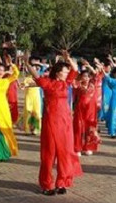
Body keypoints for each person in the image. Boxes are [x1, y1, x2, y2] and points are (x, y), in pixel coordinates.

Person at [27, 55, 83, 195]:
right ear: (57, 72)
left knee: (65, 153)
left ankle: (62, 182)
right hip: (51, 122)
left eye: (66, 72)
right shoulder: (47, 83)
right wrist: (27, 64)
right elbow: (36, 76)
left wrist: (67, 57)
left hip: (65, 123)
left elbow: (75, 69)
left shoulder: (66, 83)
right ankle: (47, 184)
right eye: (64, 71)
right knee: (49, 154)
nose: (66, 74)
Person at [73, 62, 103, 156]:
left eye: (87, 76)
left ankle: (88, 147)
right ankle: (77, 148)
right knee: (79, 128)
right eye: (84, 76)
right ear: (81, 77)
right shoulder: (77, 85)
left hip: (91, 111)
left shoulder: (93, 84)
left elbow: (98, 74)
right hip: (80, 110)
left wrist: (90, 66)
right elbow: (72, 78)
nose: (85, 78)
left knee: (89, 129)